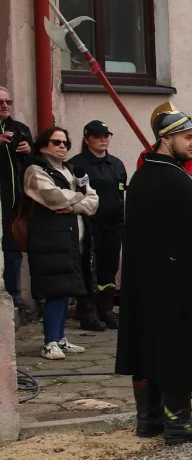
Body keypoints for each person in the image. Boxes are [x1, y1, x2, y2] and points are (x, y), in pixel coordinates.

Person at [116, 108, 192, 444]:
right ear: (166, 139)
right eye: (188, 137)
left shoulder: (142, 177)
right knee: (176, 345)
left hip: (147, 283)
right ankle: (179, 422)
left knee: (149, 344)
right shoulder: (175, 180)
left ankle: (149, 419)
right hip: (176, 285)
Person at [25, 126, 98, 359]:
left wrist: (75, 205)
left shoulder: (72, 170)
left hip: (70, 237)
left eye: (65, 143)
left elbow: (94, 200)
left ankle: (60, 338)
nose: (62, 147)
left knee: (67, 288)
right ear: (44, 144)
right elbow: (54, 197)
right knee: (55, 289)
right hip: (49, 237)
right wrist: (79, 198)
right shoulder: (35, 170)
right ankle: (50, 341)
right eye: (56, 142)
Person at [66, 120, 126, 333]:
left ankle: (106, 310)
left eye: (106, 136)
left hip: (113, 224)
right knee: (88, 266)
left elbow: (120, 194)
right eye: (98, 136)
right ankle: (88, 311)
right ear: (87, 139)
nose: (104, 140)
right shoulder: (76, 165)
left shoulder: (116, 164)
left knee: (109, 267)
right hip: (89, 224)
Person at [0, 87, 33, 306]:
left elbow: (39, 162)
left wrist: (28, 151)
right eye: (0, 103)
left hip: (15, 201)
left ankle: (14, 293)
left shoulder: (20, 128)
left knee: (13, 249)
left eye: (8, 102)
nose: (5, 106)